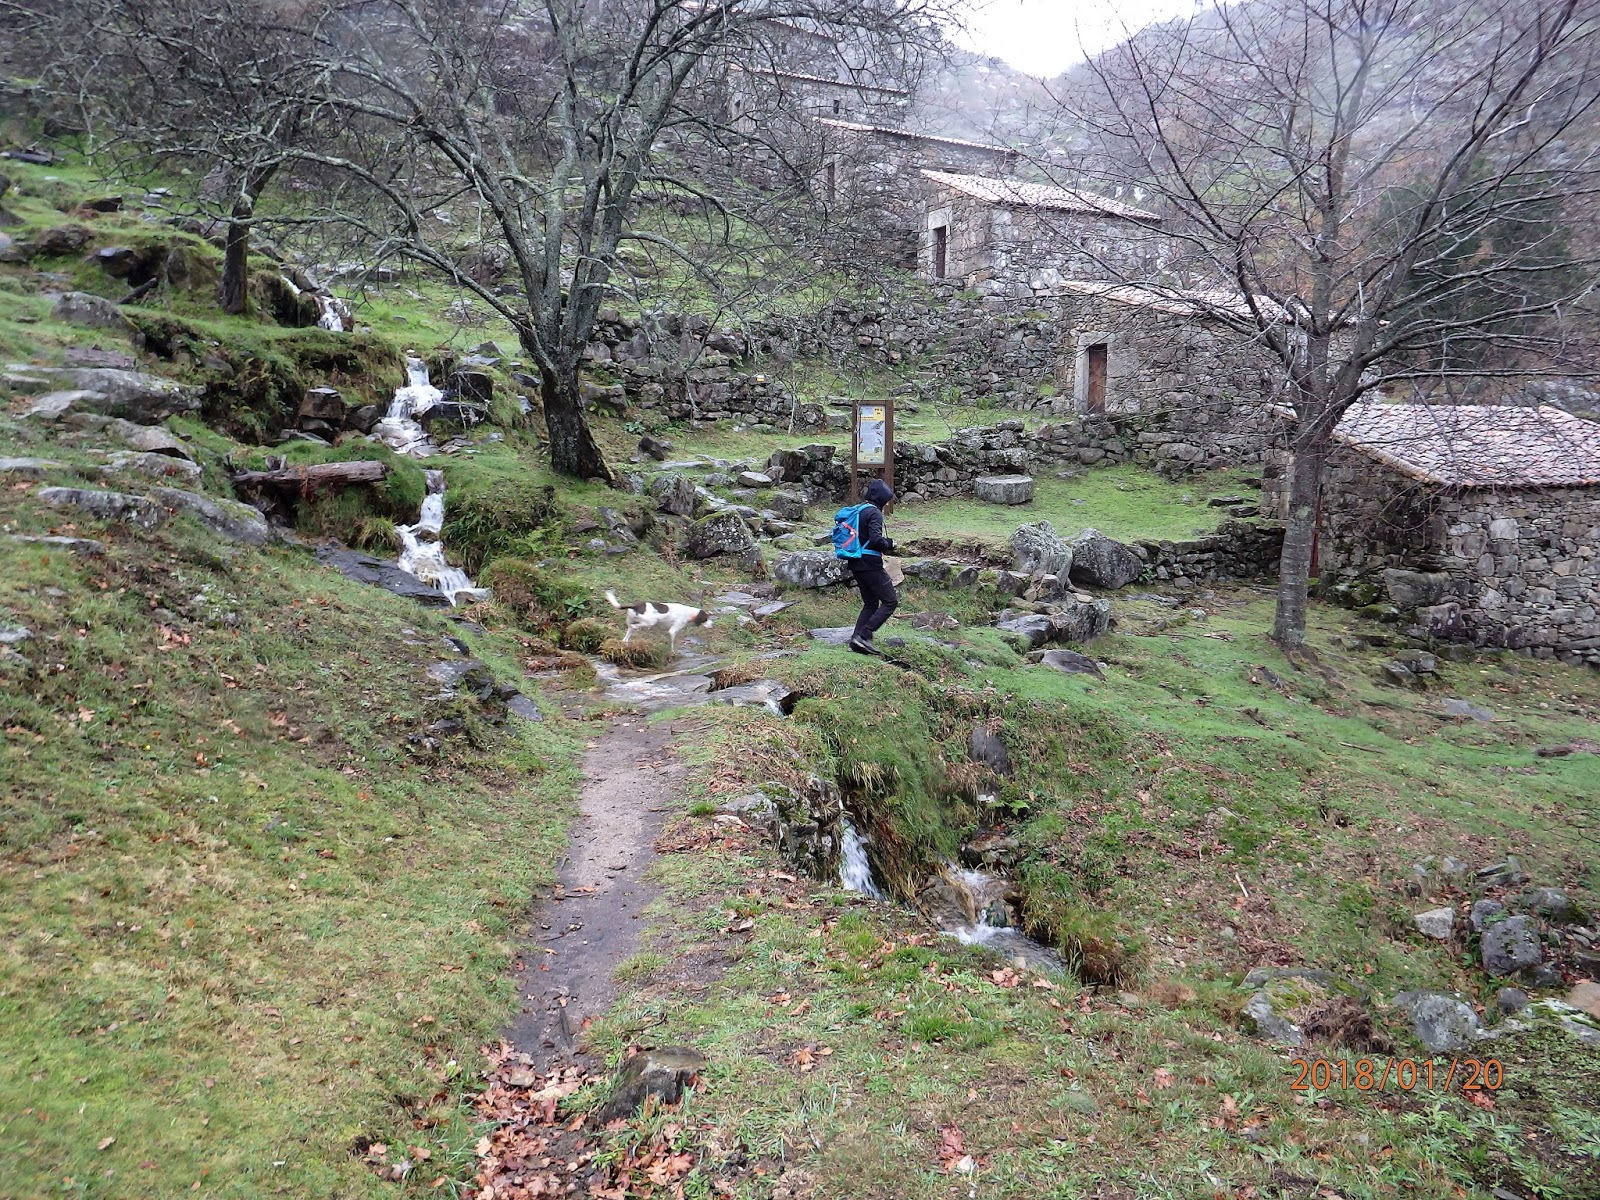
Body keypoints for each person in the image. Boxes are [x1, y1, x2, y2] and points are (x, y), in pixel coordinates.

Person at [844, 478, 898, 656]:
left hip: (856, 562)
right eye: (886, 499)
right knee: (890, 601)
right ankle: (864, 635)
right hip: (870, 563)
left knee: (871, 603)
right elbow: (875, 540)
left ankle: (856, 640)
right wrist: (889, 544)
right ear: (881, 498)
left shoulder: (859, 510)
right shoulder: (874, 512)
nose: (886, 503)